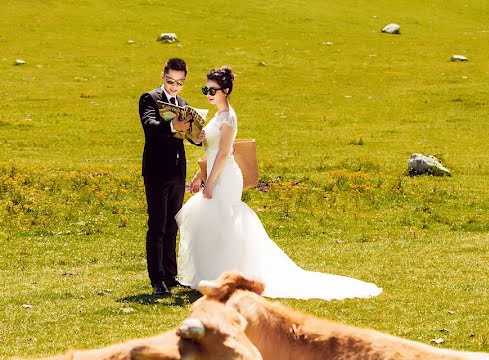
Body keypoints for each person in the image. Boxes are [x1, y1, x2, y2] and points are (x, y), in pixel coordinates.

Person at [175, 67, 382, 300]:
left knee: (224, 221)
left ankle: (231, 277)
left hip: (225, 176)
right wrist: (199, 173)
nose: (208, 94)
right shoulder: (216, 116)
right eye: (205, 89)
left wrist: (210, 182)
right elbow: (212, 150)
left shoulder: (229, 117)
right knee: (212, 221)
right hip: (215, 172)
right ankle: (215, 276)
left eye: (212, 90)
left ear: (226, 90)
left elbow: (224, 154)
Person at [139, 58, 199, 298]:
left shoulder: (183, 103)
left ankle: (171, 274)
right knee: (157, 225)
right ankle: (157, 280)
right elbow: (150, 126)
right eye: (171, 81)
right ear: (163, 77)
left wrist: (197, 135)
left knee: (172, 223)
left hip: (177, 171)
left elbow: (190, 135)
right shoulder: (149, 98)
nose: (174, 87)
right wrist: (172, 126)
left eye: (180, 83)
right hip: (156, 171)